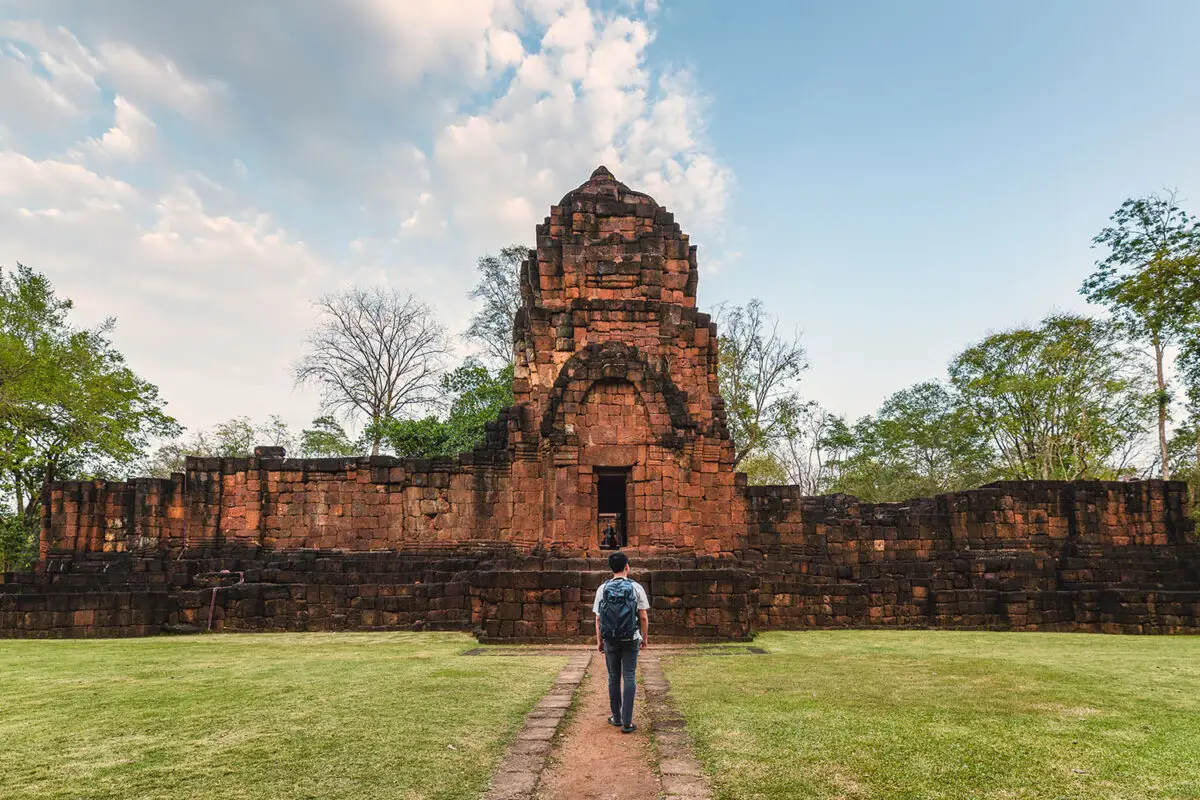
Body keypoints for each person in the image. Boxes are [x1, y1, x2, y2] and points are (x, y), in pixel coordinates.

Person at [593, 551, 650, 733]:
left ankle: (616, 717)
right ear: (627, 567)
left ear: (611, 568)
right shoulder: (636, 588)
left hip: (610, 639)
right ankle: (627, 722)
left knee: (613, 677)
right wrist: (644, 638)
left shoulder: (602, 589)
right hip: (630, 638)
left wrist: (600, 641)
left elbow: (598, 619)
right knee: (629, 676)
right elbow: (643, 617)